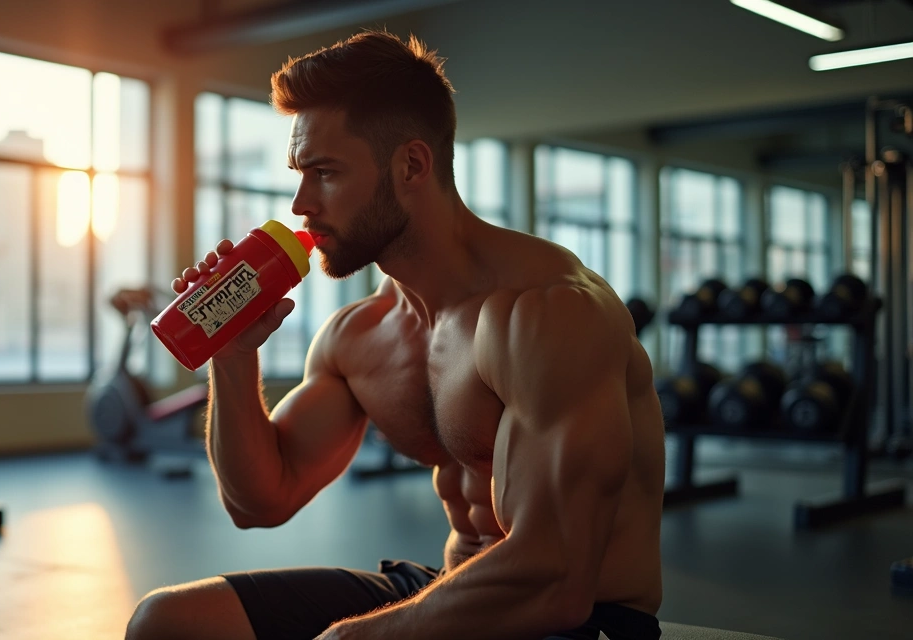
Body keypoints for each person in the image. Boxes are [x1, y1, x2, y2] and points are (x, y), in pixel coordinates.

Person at [125, 29, 665, 640]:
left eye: (325, 173)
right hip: (453, 585)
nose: (301, 203)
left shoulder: (546, 313)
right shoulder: (361, 334)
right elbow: (260, 501)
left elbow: (557, 577)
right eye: (300, 174)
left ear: (411, 165)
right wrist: (231, 355)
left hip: (578, 618)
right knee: (168, 622)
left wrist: (355, 638)